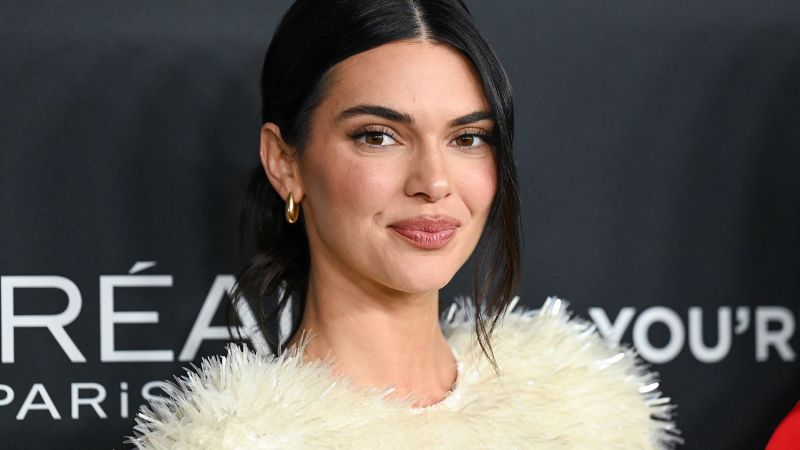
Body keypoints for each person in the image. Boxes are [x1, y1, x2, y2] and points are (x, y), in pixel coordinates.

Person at [130, 0, 682, 448]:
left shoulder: (584, 412)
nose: (434, 182)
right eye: (379, 136)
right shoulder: (240, 442)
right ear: (284, 163)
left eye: (467, 138)